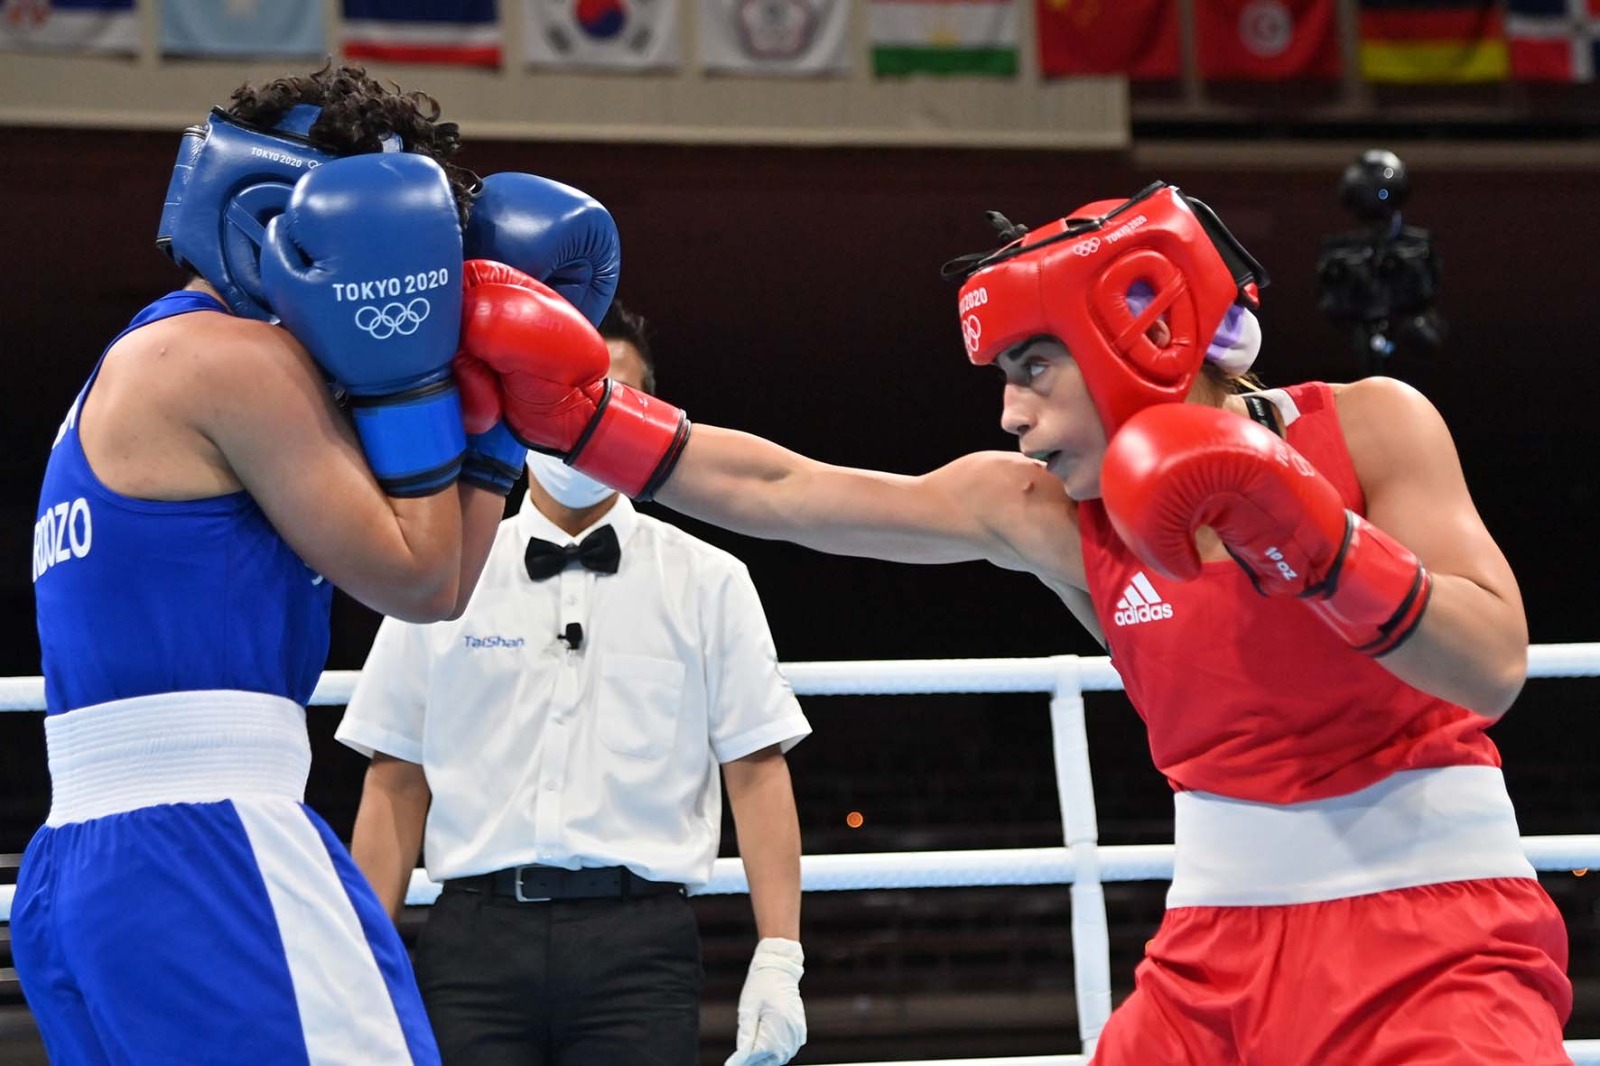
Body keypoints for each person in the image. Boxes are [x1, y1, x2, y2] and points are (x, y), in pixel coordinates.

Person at [450, 181, 1573, 1064]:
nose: (1009, 412)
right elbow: (790, 492)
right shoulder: (1044, 512)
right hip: (1216, 947)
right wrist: (589, 422)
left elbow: (1490, 665)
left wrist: (1314, 541)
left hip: (1440, 938)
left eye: (1032, 368)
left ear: (1139, 332)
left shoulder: (1372, 429)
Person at [15, 63, 617, 1064]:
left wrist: (498, 415)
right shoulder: (231, 363)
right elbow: (420, 577)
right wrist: (436, 382)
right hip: (207, 854)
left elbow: (442, 585)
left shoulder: (146, 358)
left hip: (93, 865)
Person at [338, 298, 811, 1066]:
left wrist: (780, 958)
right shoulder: (441, 568)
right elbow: (395, 780)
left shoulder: (708, 578)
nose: (579, 424)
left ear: (649, 415)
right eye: (556, 395)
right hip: (471, 946)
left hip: (640, 949)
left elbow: (757, 771)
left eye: (605, 400)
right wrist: (359, 962)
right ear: (515, 402)